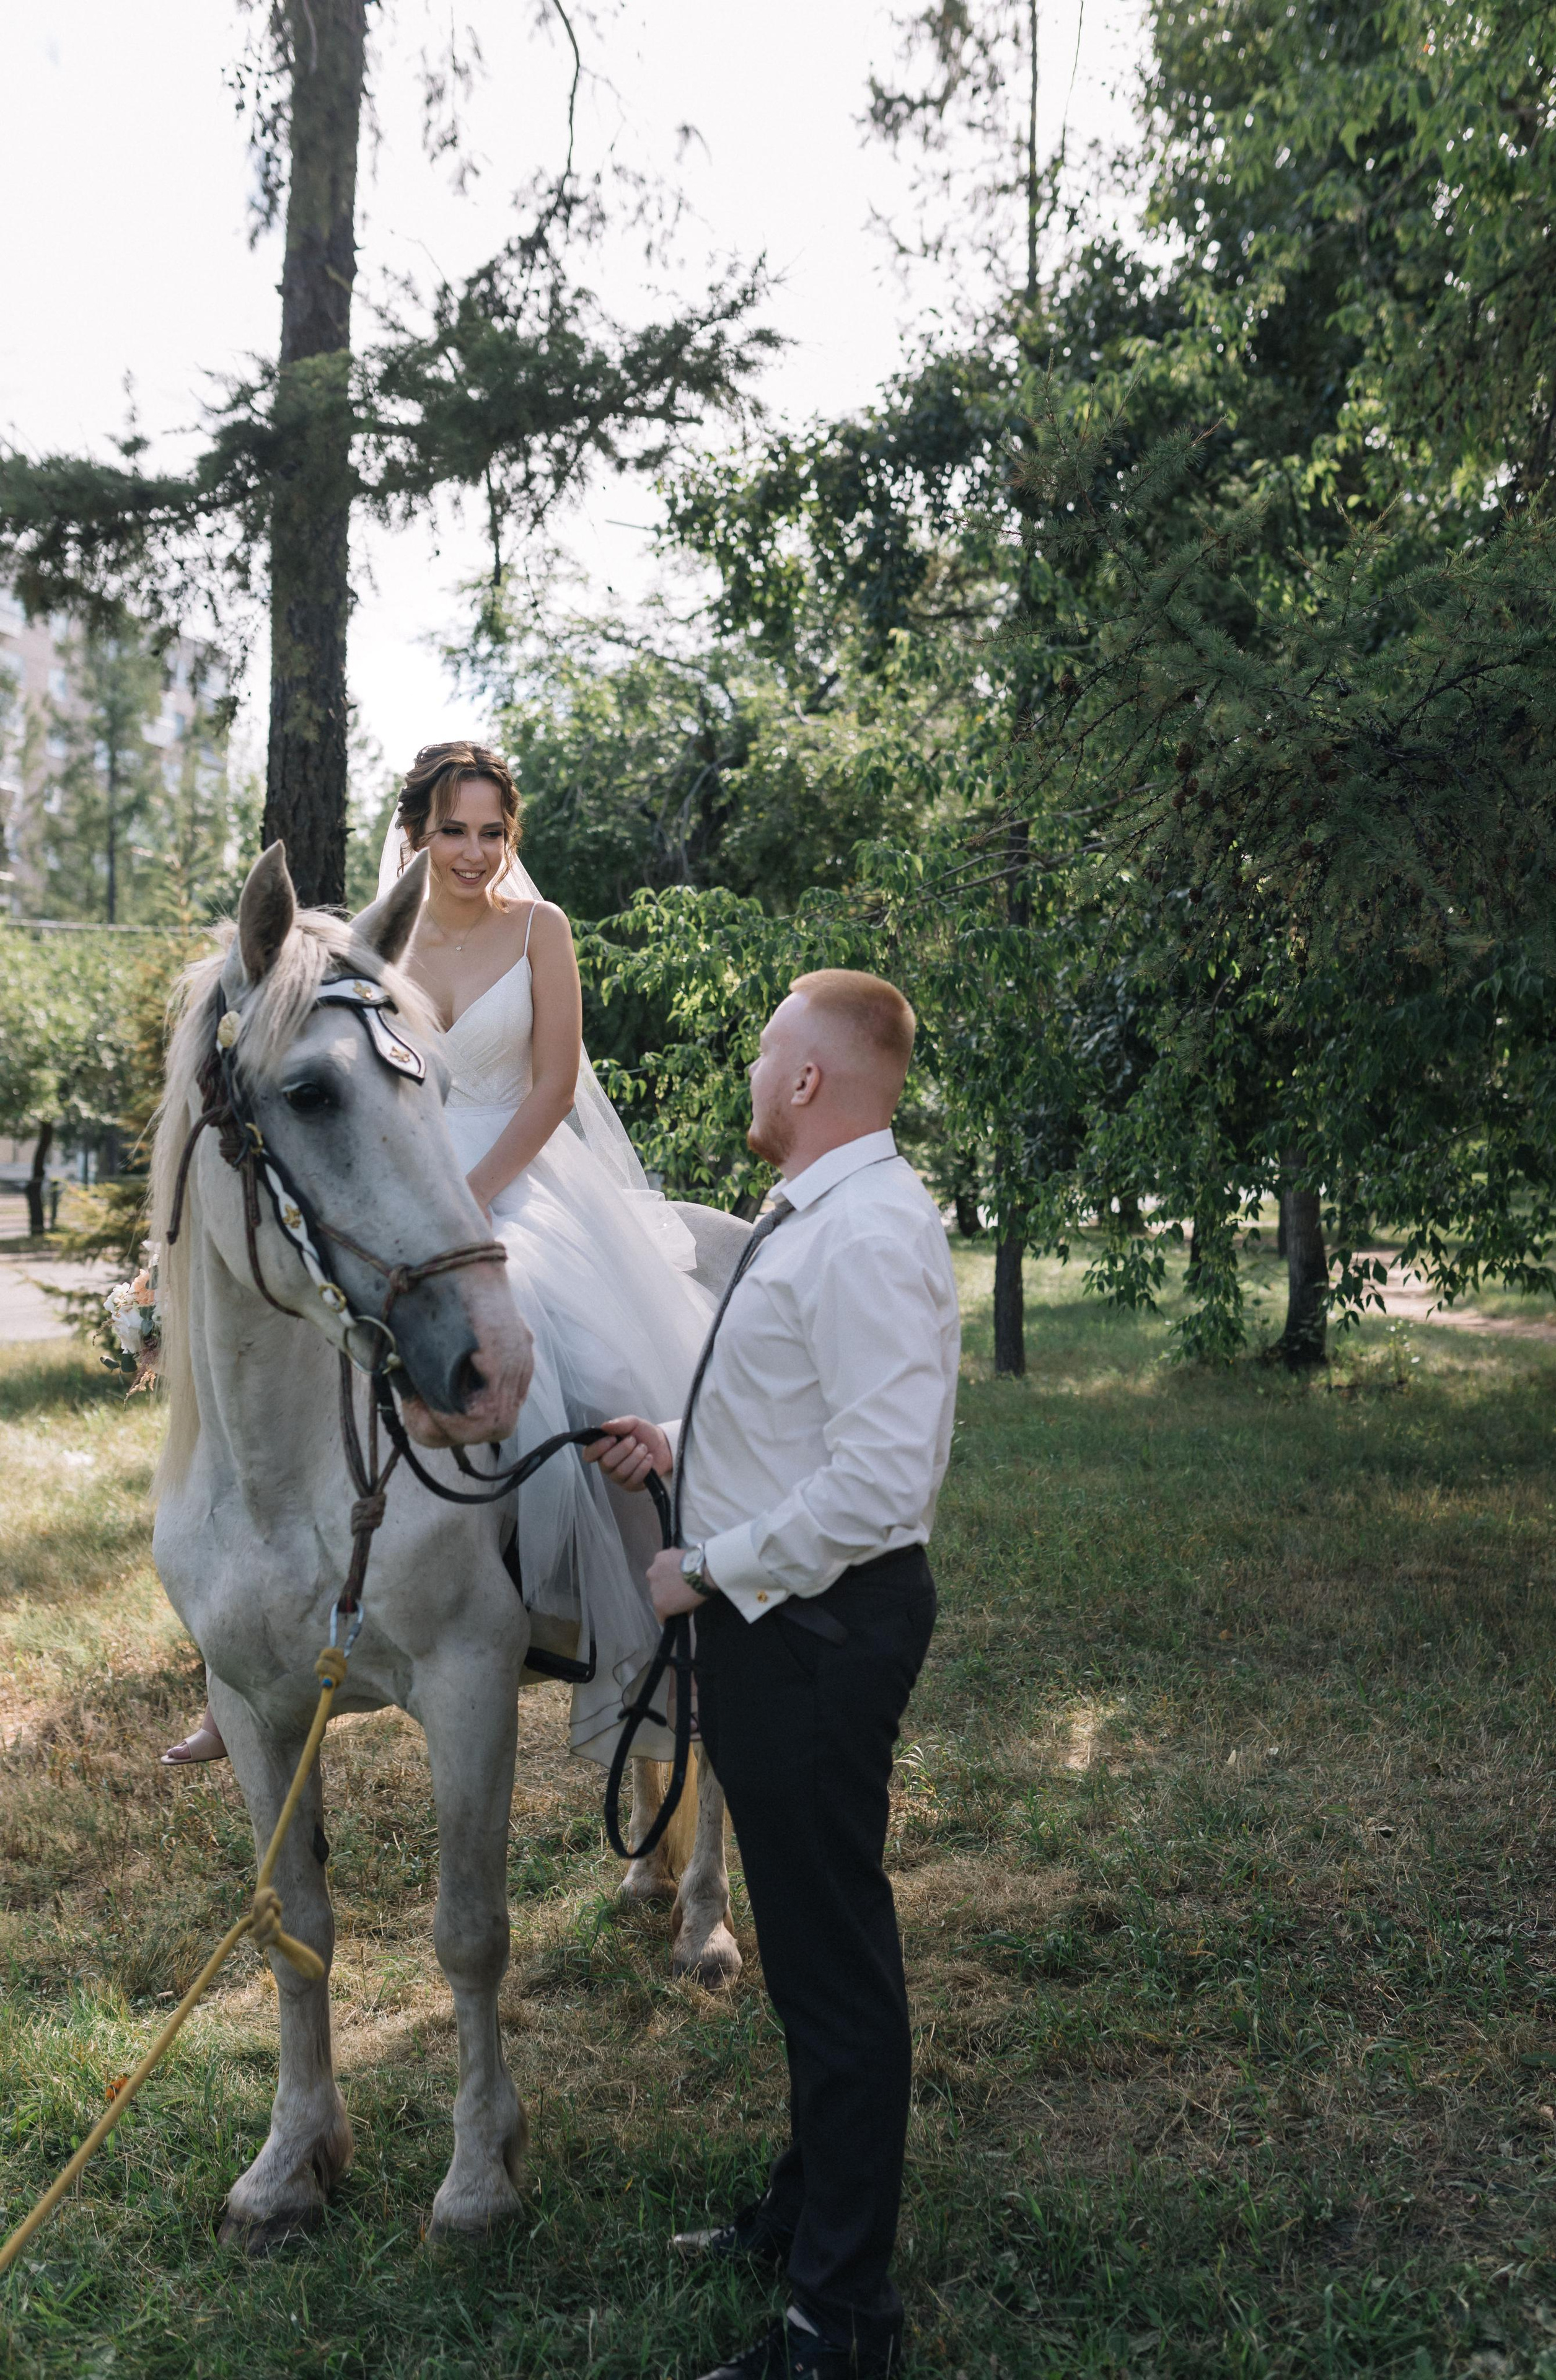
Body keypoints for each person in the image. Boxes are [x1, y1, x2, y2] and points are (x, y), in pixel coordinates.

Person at [163, 739, 715, 1771]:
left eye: (493, 833)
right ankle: (234, 1663)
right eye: (453, 832)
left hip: (517, 1176)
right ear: (415, 836)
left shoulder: (540, 929)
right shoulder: (384, 949)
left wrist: (473, 1201)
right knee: (267, 1381)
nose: (474, 853)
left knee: (591, 1363)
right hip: (390, 1172)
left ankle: (648, 1634)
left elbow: (553, 1085)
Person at [586, 969, 960, 2380]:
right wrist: (687, 1458)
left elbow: (877, 1486)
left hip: (812, 1632)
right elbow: (819, 1424)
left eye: (762, 1051)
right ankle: (804, 2217)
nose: (752, 1072)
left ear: (807, 1080)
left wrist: (708, 1564)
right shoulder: (821, 1218)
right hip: (789, 1619)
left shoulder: (864, 1232)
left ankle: (839, 2323)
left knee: (832, 1971)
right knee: (813, 1962)